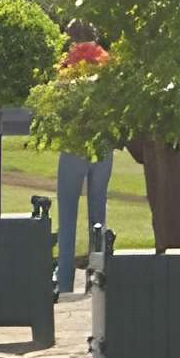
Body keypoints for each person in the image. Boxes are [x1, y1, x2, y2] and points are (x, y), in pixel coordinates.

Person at [51, 20, 113, 297]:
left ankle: (64, 281)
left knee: (67, 213)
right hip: (102, 144)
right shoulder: (106, 62)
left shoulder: (69, 63)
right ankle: (96, 277)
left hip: (74, 142)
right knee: (98, 213)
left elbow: (58, 103)